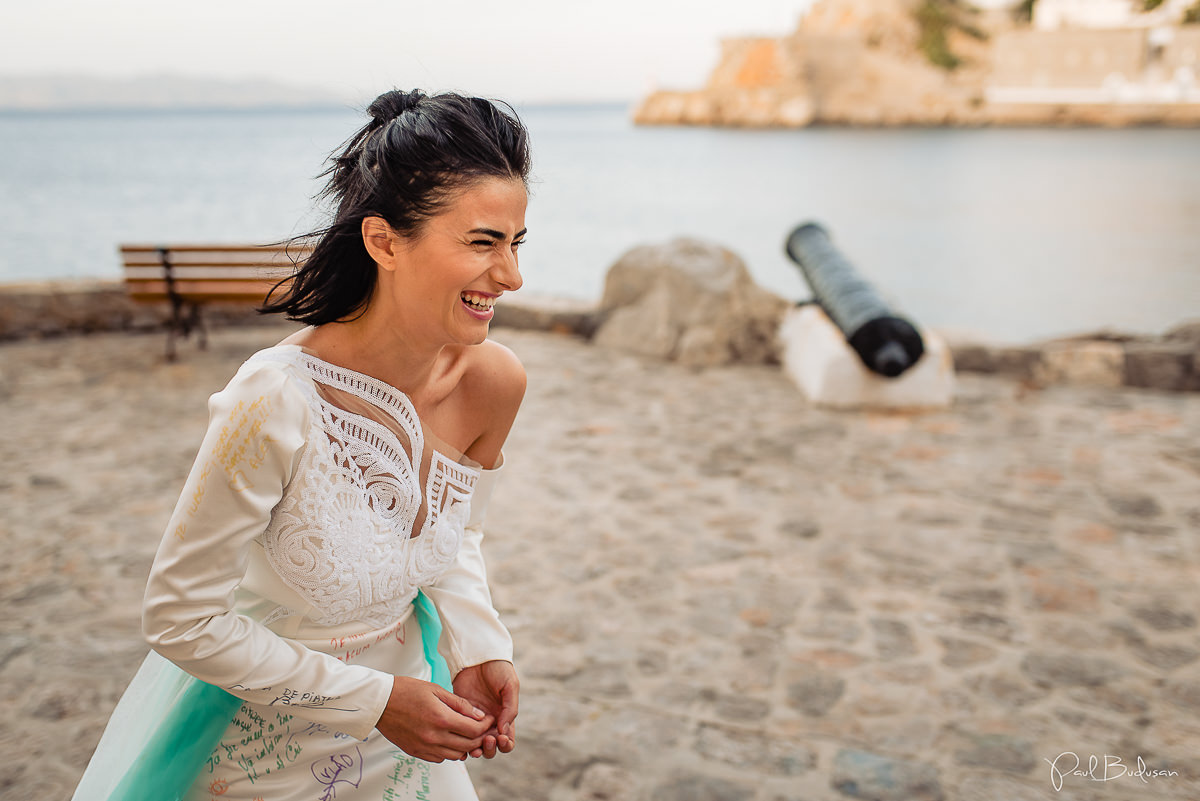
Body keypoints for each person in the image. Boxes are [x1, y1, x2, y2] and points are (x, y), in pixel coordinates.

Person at [73, 88, 531, 800]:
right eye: (482, 241)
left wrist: (480, 646)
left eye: (513, 242)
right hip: (264, 754)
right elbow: (178, 615)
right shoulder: (273, 400)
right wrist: (375, 701)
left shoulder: (494, 381)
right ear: (383, 241)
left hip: (415, 742)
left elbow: (452, 534)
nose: (510, 276)